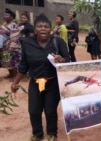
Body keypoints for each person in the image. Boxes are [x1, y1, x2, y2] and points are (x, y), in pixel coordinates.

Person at [11, 13, 70, 141]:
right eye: (40, 26)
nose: (43, 28)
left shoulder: (58, 42)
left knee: (50, 110)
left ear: (50, 29)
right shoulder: (27, 43)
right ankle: (37, 134)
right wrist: (15, 82)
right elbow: (23, 65)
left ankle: (52, 133)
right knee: (34, 111)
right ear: (35, 29)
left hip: (52, 83)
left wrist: (61, 59)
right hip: (35, 82)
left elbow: (68, 60)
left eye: (46, 26)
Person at [0, 8, 21, 79]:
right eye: (4, 15)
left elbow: (15, 35)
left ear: (11, 17)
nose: (5, 16)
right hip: (5, 45)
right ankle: (10, 74)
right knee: (6, 60)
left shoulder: (14, 25)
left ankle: (15, 75)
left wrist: (6, 32)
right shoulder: (4, 24)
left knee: (13, 61)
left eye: (7, 15)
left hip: (13, 45)